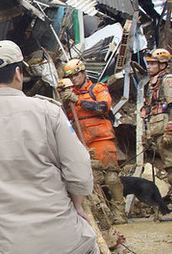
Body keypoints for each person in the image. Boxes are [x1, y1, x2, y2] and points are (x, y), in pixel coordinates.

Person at [0, 40, 99, 254]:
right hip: (65, 240)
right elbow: (80, 171)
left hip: (10, 246)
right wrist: (78, 204)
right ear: (18, 73)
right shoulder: (49, 112)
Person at [60, 59, 126, 224]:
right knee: (90, 180)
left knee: (111, 177)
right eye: (71, 76)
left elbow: (103, 107)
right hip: (82, 143)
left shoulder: (97, 88)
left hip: (101, 139)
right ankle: (103, 214)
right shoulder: (69, 95)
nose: (74, 79)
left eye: (76, 75)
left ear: (83, 73)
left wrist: (78, 101)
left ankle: (119, 212)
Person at [141, 48, 172, 187]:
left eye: (153, 64)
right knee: (168, 168)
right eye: (148, 64)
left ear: (162, 65)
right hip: (156, 128)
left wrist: (171, 127)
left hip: (166, 128)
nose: (149, 67)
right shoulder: (152, 84)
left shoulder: (168, 80)